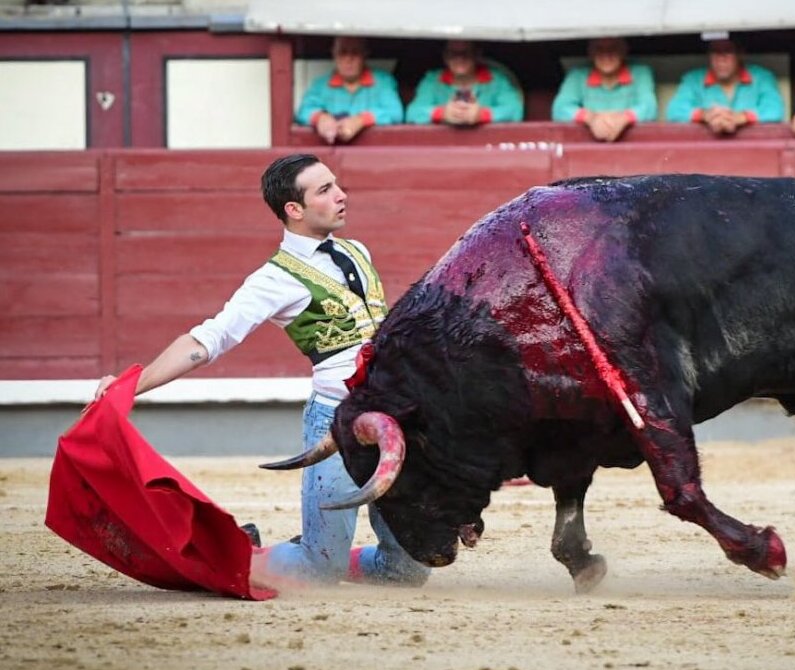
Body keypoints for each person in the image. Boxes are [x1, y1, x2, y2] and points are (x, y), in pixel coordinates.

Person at [92, 154, 430, 590]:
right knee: (319, 572)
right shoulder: (273, 280)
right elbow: (207, 340)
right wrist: (133, 384)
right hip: (337, 421)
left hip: (389, 416)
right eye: (324, 190)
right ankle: (249, 553)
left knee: (407, 570)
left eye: (336, 184)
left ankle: (306, 547)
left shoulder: (355, 251)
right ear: (294, 209)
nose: (341, 195)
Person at [295, 36, 404, 144]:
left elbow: (395, 112)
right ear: (334, 54)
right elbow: (303, 111)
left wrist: (361, 120)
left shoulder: (383, 81)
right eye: (342, 52)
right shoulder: (320, 85)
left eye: (355, 52)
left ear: (365, 54)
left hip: (373, 151)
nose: (348, 59)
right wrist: (321, 118)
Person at [666, 37, 785, 134]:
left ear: (740, 54)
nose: (721, 59)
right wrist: (705, 115)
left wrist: (740, 117)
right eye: (715, 52)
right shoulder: (693, 79)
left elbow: (775, 110)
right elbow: (674, 111)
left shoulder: (761, 77)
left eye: (728, 51)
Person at [552, 37, 658, 142]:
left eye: (614, 48)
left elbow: (649, 106)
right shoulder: (578, 75)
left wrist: (623, 119)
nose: (607, 55)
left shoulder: (641, 72)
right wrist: (591, 119)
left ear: (624, 51)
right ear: (591, 53)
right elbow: (559, 109)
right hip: (589, 145)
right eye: (599, 49)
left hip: (632, 144)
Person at [406, 40, 524, 125]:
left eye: (466, 53)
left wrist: (482, 115)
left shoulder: (497, 79)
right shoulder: (432, 80)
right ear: (445, 56)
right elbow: (413, 113)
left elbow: (515, 110)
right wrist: (442, 113)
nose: (459, 59)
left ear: (477, 54)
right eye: (453, 54)